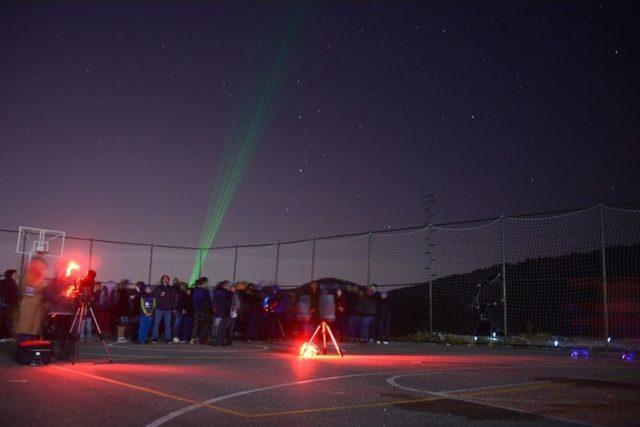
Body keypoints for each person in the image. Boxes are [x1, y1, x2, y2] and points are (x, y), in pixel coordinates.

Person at [15, 258, 48, 342]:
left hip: (36, 307)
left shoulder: (39, 277)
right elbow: (28, 291)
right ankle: (23, 347)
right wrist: (41, 286)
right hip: (28, 306)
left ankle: (31, 345)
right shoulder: (28, 276)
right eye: (41, 266)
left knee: (34, 329)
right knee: (25, 328)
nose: (43, 269)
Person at [152, 275, 173, 343]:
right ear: (162, 280)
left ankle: (168, 338)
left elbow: (173, 299)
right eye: (164, 278)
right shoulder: (158, 287)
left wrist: (172, 307)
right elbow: (154, 296)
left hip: (168, 309)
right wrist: (160, 295)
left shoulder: (171, 288)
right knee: (156, 323)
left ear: (168, 280)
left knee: (168, 324)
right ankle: (155, 337)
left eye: (166, 278)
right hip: (159, 308)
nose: (165, 279)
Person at [0, 269, 20, 341]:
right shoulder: (12, 283)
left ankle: (2, 336)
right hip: (9, 304)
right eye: (15, 275)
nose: (17, 276)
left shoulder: (2, 281)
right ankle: (7, 336)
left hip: (3, 304)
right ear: (11, 275)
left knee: (2, 321)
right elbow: (16, 294)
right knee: (8, 321)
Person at [192, 277, 211, 344]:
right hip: (203, 310)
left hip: (196, 310)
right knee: (203, 325)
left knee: (196, 324)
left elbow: (194, 301)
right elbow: (208, 301)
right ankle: (200, 339)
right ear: (204, 282)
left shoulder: (195, 290)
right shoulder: (205, 291)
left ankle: (194, 338)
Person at [211, 281, 231, 346]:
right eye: (228, 286)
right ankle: (219, 342)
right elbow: (225, 303)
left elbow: (214, 302)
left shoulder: (217, 292)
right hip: (223, 312)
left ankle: (217, 342)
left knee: (217, 328)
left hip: (218, 312)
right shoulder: (225, 293)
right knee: (221, 328)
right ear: (224, 286)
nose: (229, 287)